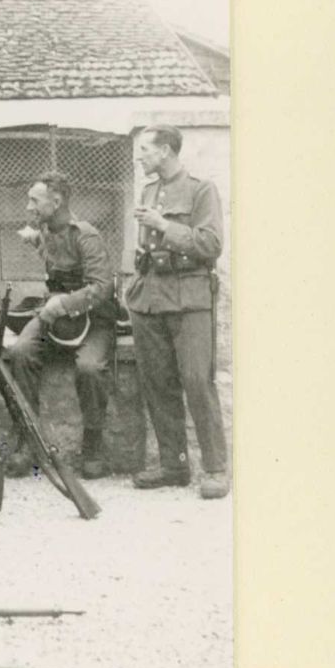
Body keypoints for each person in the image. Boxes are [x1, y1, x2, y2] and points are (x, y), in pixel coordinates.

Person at [126, 126, 228, 499]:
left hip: (189, 298)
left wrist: (164, 225)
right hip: (150, 298)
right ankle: (174, 465)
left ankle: (216, 469)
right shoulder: (148, 191)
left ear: (166, 150)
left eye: (145, 149)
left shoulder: (202, 190)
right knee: (158, 382)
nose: (139, 156)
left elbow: (211, 244)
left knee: (198, 381)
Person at [3, 173, 116, 480]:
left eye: (34, 200)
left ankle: (93, 446)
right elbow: (56, 258)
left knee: (90, 368)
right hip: (56, 317)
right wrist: (36, 243)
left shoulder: (86, 235)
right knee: (20, 352)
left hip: (93, 319)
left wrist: (64, 303)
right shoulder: (46, 230)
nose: (28, 207)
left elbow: (102, 287)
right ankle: (28, 441)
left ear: (56, 201)